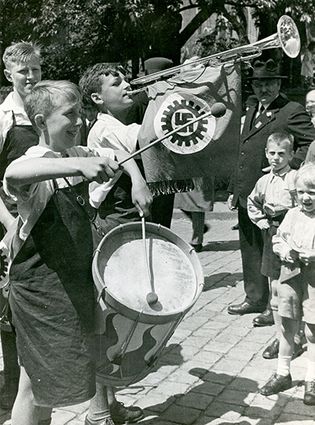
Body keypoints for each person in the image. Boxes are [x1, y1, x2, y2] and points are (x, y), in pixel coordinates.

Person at [3, 80, 151, 425]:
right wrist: (78, 167)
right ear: (41, 122)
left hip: (73, 285)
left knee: (48, 386)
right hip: (41, 287)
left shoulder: (77, 152)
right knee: (34, 385)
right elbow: (13, 174)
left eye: (81, 112)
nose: (80, 121)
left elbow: (124, 150)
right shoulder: (37, 161)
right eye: (70, 115)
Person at [79, 63, 153, 425]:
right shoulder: (102, 128)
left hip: (123, 224)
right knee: (107, 319)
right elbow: (122, 157)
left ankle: (110, 403)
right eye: (116, 82)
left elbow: (148, 133)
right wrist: (137, 179)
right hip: (110, 224)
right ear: (97, 98)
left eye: (125, 79)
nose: (127, 85)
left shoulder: (122, 126)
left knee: (119, 319)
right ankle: (98, 411)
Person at [227, 58, 315, 322]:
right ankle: (254, 298)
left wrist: (289, 168)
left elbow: (309, 141)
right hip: (248, 191)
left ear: (278, 84)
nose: (263, 89)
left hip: (275, 195)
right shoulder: (252, 108)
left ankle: (274, 307)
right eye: (258, 84)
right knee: (250, 246)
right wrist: (235, 188)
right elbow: (244, 150)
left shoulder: (291, 110)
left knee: (273, 252)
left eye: (268, 84)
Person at [0, 41, 42, 410]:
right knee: (11, 314)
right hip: (10, 226)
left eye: (36, 70)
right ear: (8, 75)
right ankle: (15, 398)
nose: (31, 78)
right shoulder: (4, 118)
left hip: (45, 222)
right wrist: (10, 226)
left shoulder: (44, 110)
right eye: (23, 72)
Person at [259, 163, 315, 405]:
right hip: (290, 276)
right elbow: (278, 240)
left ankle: (312, 379)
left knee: (313, 332)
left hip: (314, 281)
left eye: (312, 193)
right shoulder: (292, 215)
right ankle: (283, 373)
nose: (306, 197)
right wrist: (285, 251)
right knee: (286, 328)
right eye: (301, 192)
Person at [247, 131, 304, 360]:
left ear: (291, 154)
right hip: (271, 234)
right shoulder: (264, 180)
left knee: (293, 289)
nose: (276, 158)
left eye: (282, 153)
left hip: (291, 235)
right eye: (272, 153)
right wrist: (262, 222)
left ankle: (297, 337)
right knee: (274, 289)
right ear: (266, 154)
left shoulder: (295, 179)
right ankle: (281, 337)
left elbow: (305, 203)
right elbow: (253, 202)